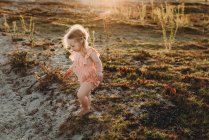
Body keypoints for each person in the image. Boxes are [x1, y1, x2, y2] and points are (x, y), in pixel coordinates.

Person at [63, 24, 103, 116]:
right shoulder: (76, 53)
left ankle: (85, 109)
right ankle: (88, 107)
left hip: (91, 77)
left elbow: (98, 62)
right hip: (83, 77)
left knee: (80, 94)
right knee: (87, 94)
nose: (71, 48)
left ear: (81, 41)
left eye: (73, 45)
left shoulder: (90, 51)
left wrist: (99, 72)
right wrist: (70, 70)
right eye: (70, 46)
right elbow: (75, 63)